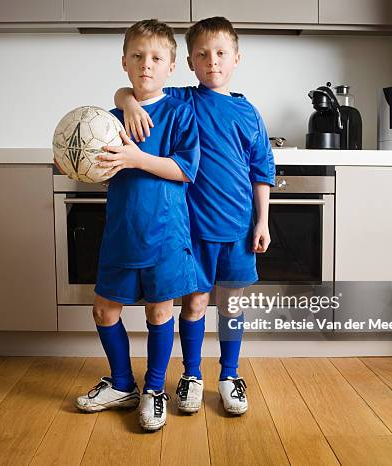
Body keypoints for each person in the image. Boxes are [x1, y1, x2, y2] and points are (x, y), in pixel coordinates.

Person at [114, 16, 275, 415]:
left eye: (220, 53)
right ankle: (191, 374)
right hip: (192, 231)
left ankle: (230, 374)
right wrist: (127, 102)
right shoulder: (182, 102)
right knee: (195, 304)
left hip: (238, 228)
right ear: (188, 62)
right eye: (202, 54)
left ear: (237, 58)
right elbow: (132, 89)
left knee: (232, 305)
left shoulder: (249, 114)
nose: (212, 61)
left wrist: (263, 221)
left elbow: (261, 172)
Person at [74, 19, 200, 432]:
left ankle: (155, 389)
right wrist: (73, 160)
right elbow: (92, 164)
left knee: (160, 311)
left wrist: (136, 158)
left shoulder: (180, 114)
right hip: (121, 235)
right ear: (124, 63)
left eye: (156, 58)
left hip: (166, 235)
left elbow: (184, 170)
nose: (147, 64)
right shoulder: (108, 118)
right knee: (104, 309)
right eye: (138, 56)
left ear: (171, 66)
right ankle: (123, 383)